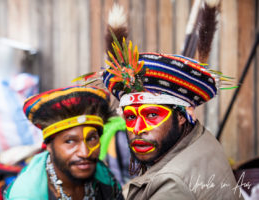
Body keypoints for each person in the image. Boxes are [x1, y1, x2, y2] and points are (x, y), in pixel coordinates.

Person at [96, 4, 244, 199]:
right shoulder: (199, 137)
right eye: (131, 117)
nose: (138, 129)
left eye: (152, 114)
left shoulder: (172, 186)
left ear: (183, 115)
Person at [4, 85, 124, 199]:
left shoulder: (104, 176)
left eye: (91, 139)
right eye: (70, 141)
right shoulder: (26, 195)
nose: (85, 152)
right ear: (49, 146)